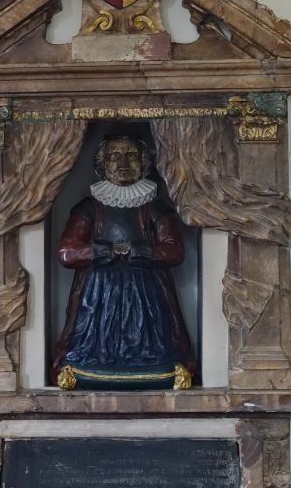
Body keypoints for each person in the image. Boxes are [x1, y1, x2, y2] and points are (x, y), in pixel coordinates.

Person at [51, 134, 196, 390]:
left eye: (131, 156)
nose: (123, 163)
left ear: (143, 162)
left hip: (147, 290)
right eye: (114, 157)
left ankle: (149, 364)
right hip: (99, 292)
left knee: (153, 343)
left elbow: (174, 251)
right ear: (103, 164)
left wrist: (139, 251)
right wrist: (104, 251)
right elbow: (67, 252)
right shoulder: (89, 208)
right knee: (92, 346)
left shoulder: (155, 207)